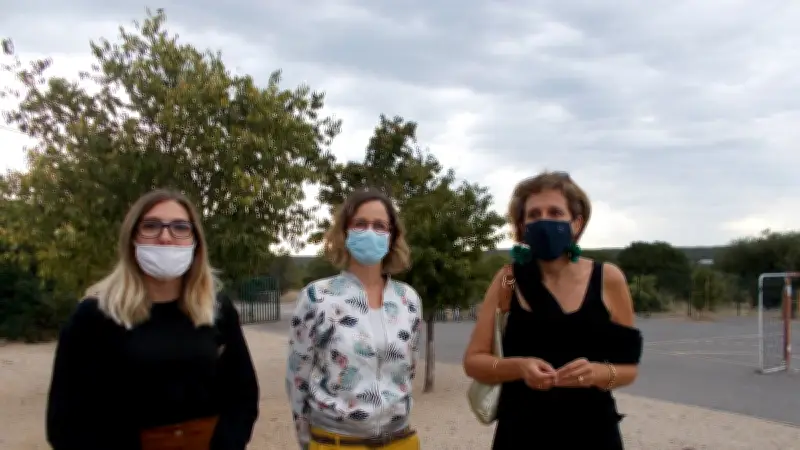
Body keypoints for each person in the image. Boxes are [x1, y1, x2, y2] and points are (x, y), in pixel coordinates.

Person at [45, 189, 259, 450]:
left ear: (195, 241)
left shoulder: (216, 309)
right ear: (132, 237)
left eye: (180, 227)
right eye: (151, 226)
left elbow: (242, 394)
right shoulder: (93, 316)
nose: (165, 237)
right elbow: (66, 421)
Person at [463, 171, 643, 449]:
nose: (544, 220)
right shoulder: (508, 279)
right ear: (522, 225)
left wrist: (595, 373)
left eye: (555, 212)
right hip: (521, 434)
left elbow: (628, 370)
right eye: (534, 215)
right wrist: (519, 367)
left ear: (576, 223)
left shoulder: (608, 279)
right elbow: (473, 362)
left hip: (593, 434)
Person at [286, 188, 423, 450]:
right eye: (360, 223)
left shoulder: (408, 300)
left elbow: (408, 370)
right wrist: (307, 441)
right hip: (336, 442)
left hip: (399, 441)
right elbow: (297, 377)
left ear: (392, 236)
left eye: (380, 225)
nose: (370, 231)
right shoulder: (317, 297)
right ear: (345, 232)